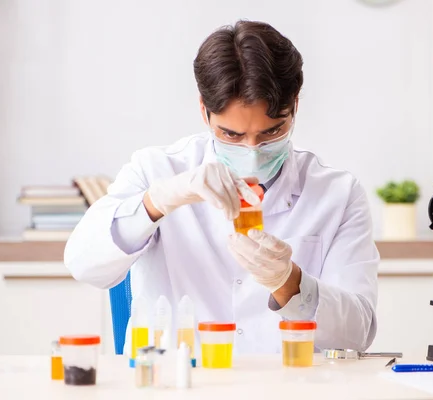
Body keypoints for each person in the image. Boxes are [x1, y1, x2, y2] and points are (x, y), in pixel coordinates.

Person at [65, 20, 379, 355]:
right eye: (232, 135)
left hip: (288, 385)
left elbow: (357, 334)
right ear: (204, 110)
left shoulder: (338, 193)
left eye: (271, 132)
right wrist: (157, 200)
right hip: (180, 383)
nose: (253, 151)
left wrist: (290, 283)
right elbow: (83, 265)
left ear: (295, 108)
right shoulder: (156, 170)